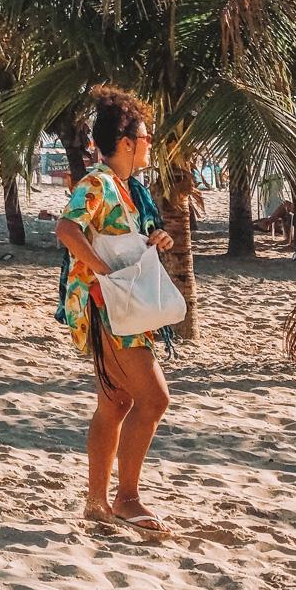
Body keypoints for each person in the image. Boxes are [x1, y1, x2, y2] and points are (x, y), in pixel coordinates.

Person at [53, 86, 174, 535]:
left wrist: (158, 240)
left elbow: (130, 240)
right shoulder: (98, 183)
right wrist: (106, 274)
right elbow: (67, 229)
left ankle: (96, 502)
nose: (149, 146)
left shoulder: (130, 190)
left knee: (118, 401)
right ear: (126, 142)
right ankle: (126, 498)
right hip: (108, 306)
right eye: (145, 138)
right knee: (154, 398)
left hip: (123, 306)